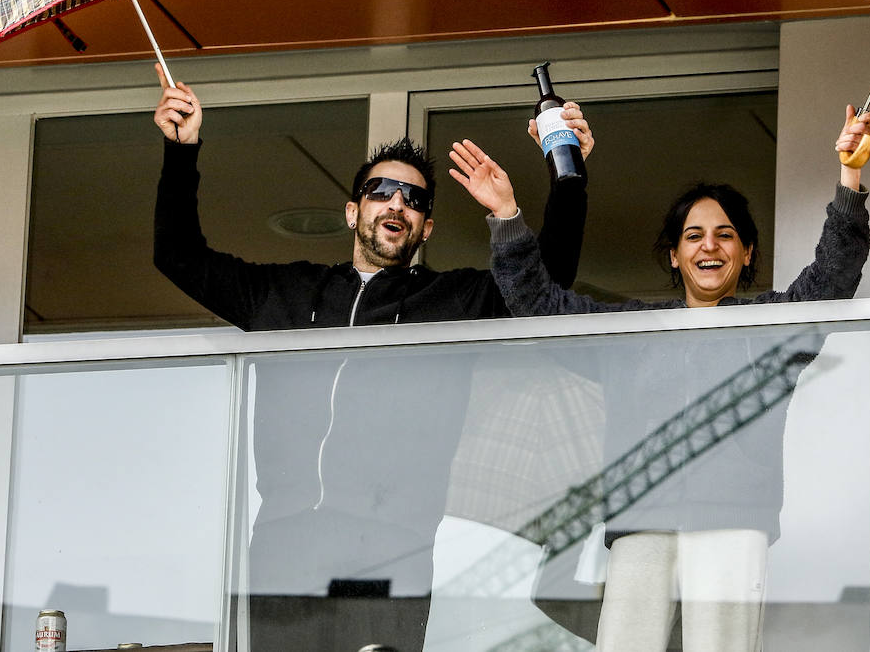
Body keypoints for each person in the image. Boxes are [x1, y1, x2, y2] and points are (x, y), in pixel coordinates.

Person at [150, 67, 593, 651]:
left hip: (393, 552)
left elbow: (548, 282)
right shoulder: (285, 291)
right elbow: (178, 256)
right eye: (380, 191)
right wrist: (180, 151)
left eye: (413, 200)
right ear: (352, 211)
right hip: (283, 552)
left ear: (426, 226)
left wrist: (568, 177)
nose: (396, 204)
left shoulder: (454, 300)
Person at [448, 106, 870, 652]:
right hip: (641, 519)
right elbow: (540, 306)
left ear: (746, 254)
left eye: (725, 235)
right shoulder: (635, 329)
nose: (709, 246)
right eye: (693, 236)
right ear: (674, 256)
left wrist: (850, 177)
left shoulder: (768, 324)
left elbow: (831, 279)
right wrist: (507, 215)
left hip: (732, 520)